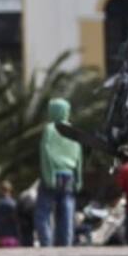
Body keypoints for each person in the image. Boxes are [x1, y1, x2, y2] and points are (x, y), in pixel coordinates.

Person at [35, 98, 83, 248]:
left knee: (43, 212)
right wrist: (79, 179)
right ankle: (66, 244)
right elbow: (79, 157)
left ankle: (46, 243)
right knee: (67, 212)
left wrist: (48, 175)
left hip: (53, 174)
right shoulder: (72, 130)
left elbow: (46, 153)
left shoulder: (50, 129)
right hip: (69, 175)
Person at [0, 180, 21, 248]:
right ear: (10, 190)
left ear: (0, 190)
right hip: (14, 238)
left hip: (1, 238)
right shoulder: (14, 204)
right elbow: (18, 222)